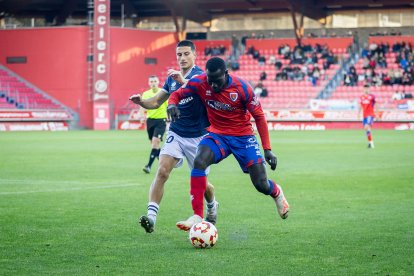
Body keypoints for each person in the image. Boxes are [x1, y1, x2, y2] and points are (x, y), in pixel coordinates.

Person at [167, 57, 290, 231]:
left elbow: (260, 116)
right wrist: (171, 105)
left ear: (226, 73)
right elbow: (177, 94)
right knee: (199, 160)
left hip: (243, 137)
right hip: (218, 135)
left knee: (261, 184)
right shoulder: (200, 82)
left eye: (217, 81)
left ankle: (276, 192)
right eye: (210, 81)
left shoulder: (242, 88)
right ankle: (197, 215)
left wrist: (267, 149)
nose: (213, 86)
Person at [129, 40, 218, 233]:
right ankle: (151, 218)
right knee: (162, 171)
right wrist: (142, 102)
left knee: (203, 185)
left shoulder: (202, 75)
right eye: (179, 55)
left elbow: (208, 95)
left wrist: (183, 82)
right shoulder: (171, 78)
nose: (182, 58)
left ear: (194, 55)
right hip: (176, 133)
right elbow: (156, 102)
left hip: (199, 137)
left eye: (186, 54)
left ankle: (212, 205)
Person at [137, 75, 167, 174]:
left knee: (155, 142)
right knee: (154, 145)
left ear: (158, 82)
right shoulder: (146, 94)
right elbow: (142, 106)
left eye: (155, 81)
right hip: (150, 121)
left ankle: (148, 166)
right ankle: (164, 163)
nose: (153, 83)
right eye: (151, 81)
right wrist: (141, 116)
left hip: (161, 121)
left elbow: (169, 105)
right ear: (149, 83)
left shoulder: (163, 93)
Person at [359, 84, 376, 148]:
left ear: (369, 89)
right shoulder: (361, 97)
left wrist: (376, 114)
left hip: (370, 114)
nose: (366, 90)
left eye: (367, 88)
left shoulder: (372, 96)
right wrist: (358, 113)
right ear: (363, 89)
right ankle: (370, 143)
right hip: (364, 115)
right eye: (365, 88)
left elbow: (376, 104)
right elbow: (360, 105)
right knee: (367, 129)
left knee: (366, 127)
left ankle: (371, 144)